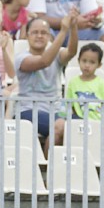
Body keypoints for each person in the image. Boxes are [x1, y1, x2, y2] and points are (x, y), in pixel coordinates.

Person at [17, 14, 78, 147]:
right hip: (29, 109)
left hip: (56, 109)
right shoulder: (22, 58)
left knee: (82, 126)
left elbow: (72, 52)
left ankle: (51, 165)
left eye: (44, 33)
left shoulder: (57, 54)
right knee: (60, 126)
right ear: (27, 36)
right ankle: (51, 166)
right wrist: (63, 31)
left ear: (49, 37)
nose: (39, 36)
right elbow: (44, 61)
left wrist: (73, 28)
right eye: (35, 32)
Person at [65, 43, 104, 135]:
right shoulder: (73, 83)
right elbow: (71, 106)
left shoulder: (102, 83)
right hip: (80, 126)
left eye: (92, 62)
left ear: (99, 65)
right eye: (84, 61)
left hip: (100, 126)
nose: (87, 65)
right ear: (78, 61)